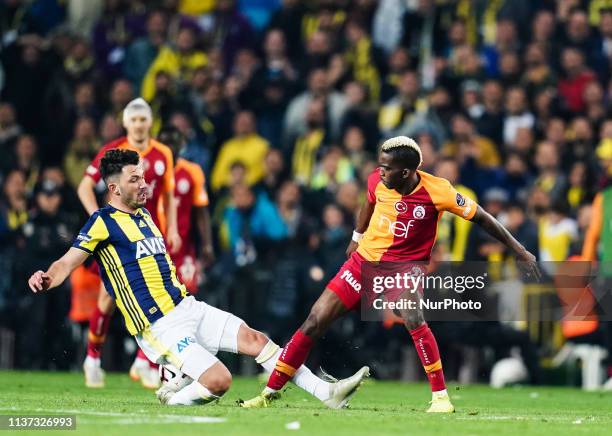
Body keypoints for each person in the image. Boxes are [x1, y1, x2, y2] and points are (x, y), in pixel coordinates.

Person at [27, 149, 369, 408]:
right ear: (114, 188)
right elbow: (68, 262)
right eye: (135, 180)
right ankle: (172, 398)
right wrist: (47, 276)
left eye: (143, 177)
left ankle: (327, 393)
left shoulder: (145, 216)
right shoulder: (102, 222)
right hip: (159, 326)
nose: (144, 184)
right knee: (221, 381)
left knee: (255, 339)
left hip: (187, 307)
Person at [240, 136, 539, 412]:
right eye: (380, 166)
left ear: (407, 172)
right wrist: (356, 237)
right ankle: (271, 392)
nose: (380, 172)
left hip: (403, 269)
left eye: (387, 168)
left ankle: (440, 398)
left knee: (412, 316)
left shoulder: (439, 191)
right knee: (314, 321)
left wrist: (519, 249)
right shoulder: (377, 181)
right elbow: (368, 204)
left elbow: (483, 218)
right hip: (363, 263)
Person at [77, 98, 180, 389]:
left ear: (150, 123)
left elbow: (169, 195)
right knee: (107, 299)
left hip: (148, 236)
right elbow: (84, 186)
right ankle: (92, 359)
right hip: (118, 237)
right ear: (126, 123)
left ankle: (143, 361)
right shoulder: (113, 153)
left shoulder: (162, 154)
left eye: (142, 120)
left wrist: (171, 227)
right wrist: (99, 219)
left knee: (156, 295)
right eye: (133, 120)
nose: (138, 125)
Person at [157, 126, 214, 293]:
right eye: (164, 142)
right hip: (154, 247)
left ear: (181, 144)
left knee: (188, 294)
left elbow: (201, 211)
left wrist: (207, 243)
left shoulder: (192, 171)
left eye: (173, 142)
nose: (169, 147)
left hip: (183, 248)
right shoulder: (147, 171)